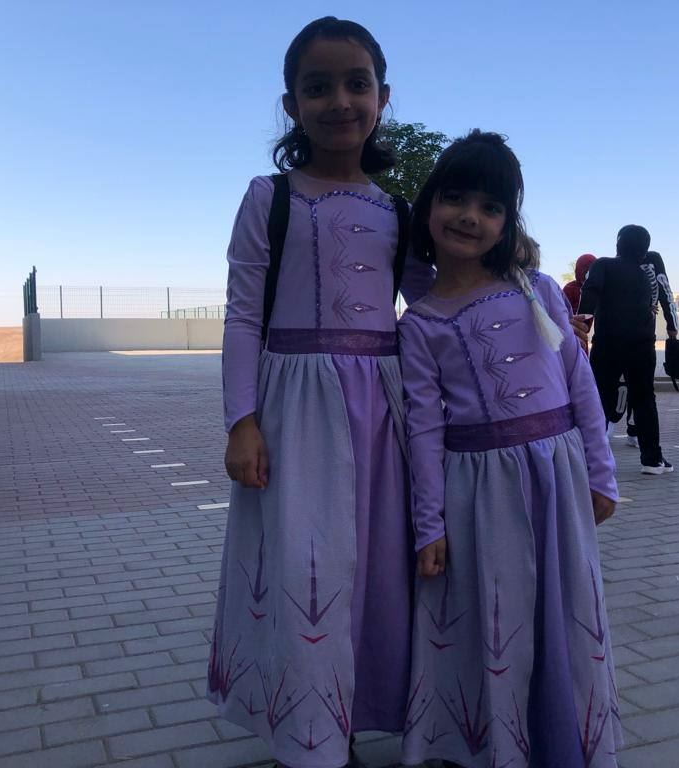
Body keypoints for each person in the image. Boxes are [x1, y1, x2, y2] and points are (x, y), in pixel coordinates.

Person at [206, 18, 436, 768]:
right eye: (318, 87)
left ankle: (356, 717)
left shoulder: (399, 211)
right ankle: (307, 739)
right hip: (294, 409)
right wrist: (242, 421)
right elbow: (243, 314)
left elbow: (430, 307)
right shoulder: (269, 198)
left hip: (384, 412)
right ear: (292, 105)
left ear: (383, 97)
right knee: (306, 565)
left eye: (356, 84)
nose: (340, 101)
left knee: (374, 567)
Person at [398, 130, 621, 768]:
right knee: (498, 613)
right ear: (428, 208)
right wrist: (429, 526)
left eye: (490, 206)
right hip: (479, 491)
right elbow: (423, 429)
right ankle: (496, 745)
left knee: (565, 606)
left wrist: (601, 472)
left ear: (507, 223)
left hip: (558, 474)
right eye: (455, 198)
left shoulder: (536, 288)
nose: (470, 216)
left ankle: (566, 740)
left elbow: (580, 384)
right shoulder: (420, 324)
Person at [578, 229, 678, 474]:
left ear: (618, 245)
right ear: (645, 249)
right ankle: (652, 459)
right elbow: (665, 296)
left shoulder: (603, 265)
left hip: (607, 343)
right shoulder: (648, 272)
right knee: (644, 399)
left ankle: (589, 459)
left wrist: (581, 327)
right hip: (642, 345)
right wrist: (672, 327)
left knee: (599, 398)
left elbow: (589, 292)